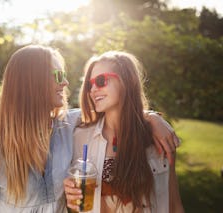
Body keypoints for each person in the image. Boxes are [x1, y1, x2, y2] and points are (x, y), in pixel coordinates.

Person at [0, 45, 180, 213]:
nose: (66, 83)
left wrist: (150, 118)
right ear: (33, 83)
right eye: (58, 75)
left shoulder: (69, 126)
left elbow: (117, 110)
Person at [64, 51, 184, 212]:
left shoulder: (158, 137)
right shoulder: (80, 137)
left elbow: (174, 204)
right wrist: (69, 194)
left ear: (127, 81)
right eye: (89, 84)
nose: (92, 90)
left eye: (101, 81)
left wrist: (152, 118)